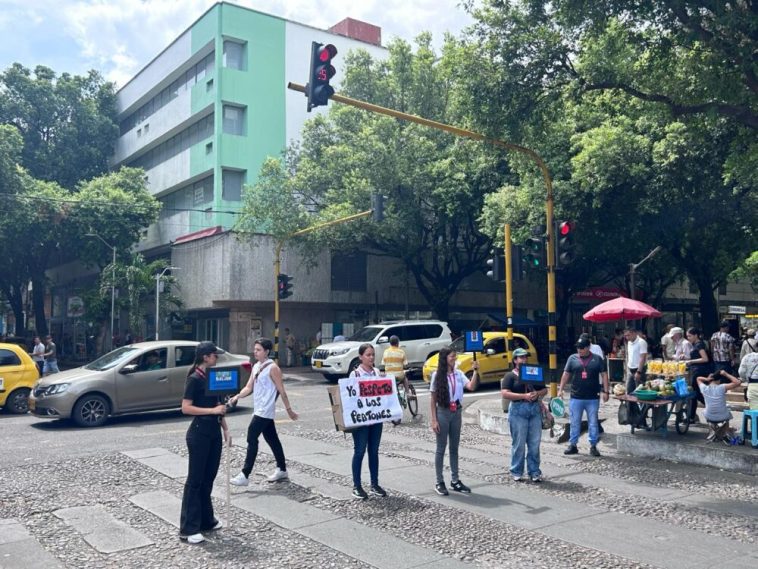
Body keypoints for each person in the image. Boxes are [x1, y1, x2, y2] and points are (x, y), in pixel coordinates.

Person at [229, 338, 298, 486]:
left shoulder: (273, 368)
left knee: (251, 436)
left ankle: (245, 474)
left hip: (265, 409)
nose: (255, 352)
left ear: (267, 351)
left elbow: (282, 391)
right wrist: (237, 396)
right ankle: (282, 469)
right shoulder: (256, 367)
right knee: (272, 439)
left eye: (258, 350)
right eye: (255, 349)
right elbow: (249, 387)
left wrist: (289, 410)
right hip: (259, 408)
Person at [179, 341, 229, 545]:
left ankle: (206, 520)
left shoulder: (211, 378)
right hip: (199, 433)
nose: (217, 358)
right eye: (214, 355)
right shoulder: (194, 379)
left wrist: (225, 428)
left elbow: (218, 405)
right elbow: (186, 408)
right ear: (206, 357)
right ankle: (188, 528)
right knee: (195, 481)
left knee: (209, 478)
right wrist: (213, 412)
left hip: (214, 432)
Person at [430, 347, 479, 495]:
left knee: (454, 448)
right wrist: (434, 419)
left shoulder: (458, 374)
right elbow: (432, 399)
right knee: (441, 448)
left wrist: (475, 371)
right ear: (445, 358)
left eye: (455, 357)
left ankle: (455, 480)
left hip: (456, 411)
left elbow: (470, 386)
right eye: (452, 357)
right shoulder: (437, 375)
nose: (454, 359)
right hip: (443, 412)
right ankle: (439, 481)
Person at [501, 347, 547, 482]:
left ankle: (534, 471)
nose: (524, 359)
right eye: (521, 357)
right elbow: (504, 393)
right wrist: (523, 395)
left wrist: (537, 394)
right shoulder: (510, 376)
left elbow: (544, 389)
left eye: (525, 357)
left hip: (534, 409)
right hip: (518, 409)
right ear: (515, 360)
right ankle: (516, 470)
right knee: (519, 443)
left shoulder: (534, 372)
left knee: (534, 443)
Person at [348, 343, 387, 500]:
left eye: (372, 355)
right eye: (368, 355)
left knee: (374, 451)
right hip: (362, 421)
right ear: (361, 357)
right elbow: (351, 398)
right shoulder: (355, 375)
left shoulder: (377, 372)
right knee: (359, 451)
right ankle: (356, 486)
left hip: (376, 419)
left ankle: (374, 484)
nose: (371, 357)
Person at [559, 337, 609, 457]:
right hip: (576, 396)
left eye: (581, 348)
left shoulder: (597, 359)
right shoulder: (572, 358)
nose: (579, 350)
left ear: (588, 347)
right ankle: (573, 445)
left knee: (593, 422)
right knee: (574, 422)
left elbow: (604, 375)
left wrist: (606, 391)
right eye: (578, 347)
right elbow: (566, 374)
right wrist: (560, 389)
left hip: (592, 397)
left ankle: (593, 446)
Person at [697, 370, 742, 436]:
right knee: (727, 409)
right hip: (723, 416)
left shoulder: (704, 388)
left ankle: (713, 431)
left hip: (709, 416)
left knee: (708, 410)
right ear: (719, 380)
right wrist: (726, 374)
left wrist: (706, 379)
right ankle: (726, 431)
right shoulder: (722, 387)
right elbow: (737, 382)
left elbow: (698, 378)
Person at [684, 327, 712, 423]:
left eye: (690, 336)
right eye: (687, 336)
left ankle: (711, 408)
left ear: (696, 335)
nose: (688, 338)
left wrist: (691, 361)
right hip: (697, 371)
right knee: (695, 394)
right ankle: (691, 416)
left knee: (697, 394)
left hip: (700, 372)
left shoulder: (699, 344)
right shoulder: (696, 344)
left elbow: (705, 358)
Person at [624, 328, 648, 394]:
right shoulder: (628, 343)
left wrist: (639, 371)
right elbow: (629, 355)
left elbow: (642, 357)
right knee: (629, 390)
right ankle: (631, 404)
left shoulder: (641, 342)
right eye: (625, 336)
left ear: (634, 333)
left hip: (639, 369)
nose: (627, 337)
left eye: (628, 335)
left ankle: (643, 404)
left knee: (640, 390)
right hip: (630, 369)